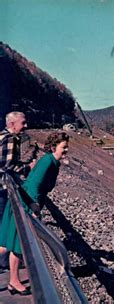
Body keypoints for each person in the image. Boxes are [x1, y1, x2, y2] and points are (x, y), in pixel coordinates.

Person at [0, 131, 69, 295]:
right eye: (64, 147)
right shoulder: (47, 162)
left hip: (25, 201)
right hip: (25, 203)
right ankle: (14, 281)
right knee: (18, 244)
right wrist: (34, 207)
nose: (66, 150)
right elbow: (34, 185)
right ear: (53, 147)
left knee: (5, 244)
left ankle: (13, 280)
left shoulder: (52, 161)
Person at [0, 112, 31, 272]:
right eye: (23, 123)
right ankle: (4, 263)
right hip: (1, 188)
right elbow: (6, 167)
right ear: (12, 124)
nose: (26, 126)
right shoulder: (10, 139)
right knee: (3, 224)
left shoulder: (2, 136)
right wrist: (27, 168)